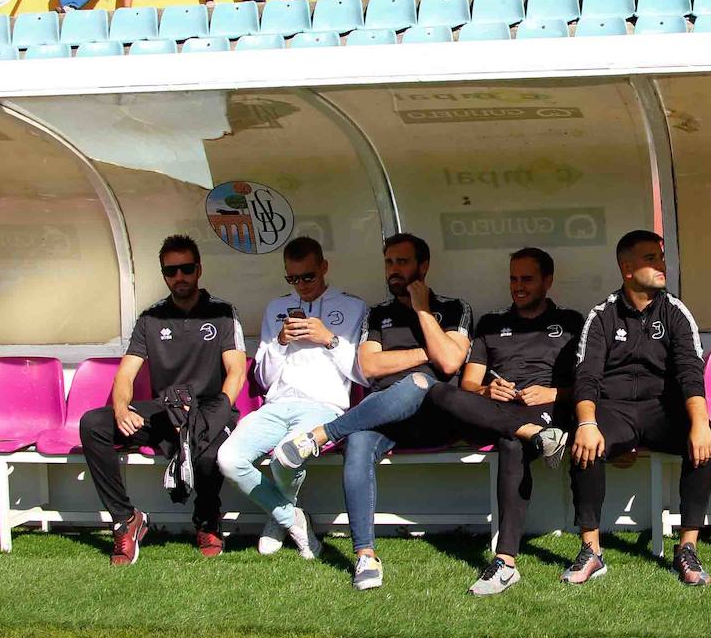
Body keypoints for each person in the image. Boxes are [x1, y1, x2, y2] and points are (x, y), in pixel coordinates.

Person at [273, 233, 469, 590]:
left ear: (422, 267)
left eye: (402, 262)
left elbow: (452, 361)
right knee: (360, 442)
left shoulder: (454, 308)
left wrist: (422, 309)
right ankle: (365, 556)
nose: (393, 269)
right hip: (382, 417)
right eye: (389, 262)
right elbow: (369, 366)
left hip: (436, 418)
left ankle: (325, 434)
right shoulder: (378, 313)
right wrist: (429, 355)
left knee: (418, 385)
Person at [420, 248, 582, 596]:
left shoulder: (571, 322)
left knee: (512, 444)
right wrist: (487, 389)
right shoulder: (492, 323)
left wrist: (552, 394)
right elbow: (467, 385)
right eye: (513, 279)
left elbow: (587, 385)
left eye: (527, 279)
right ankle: (536, 437)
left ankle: (505, 563)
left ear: (547, 281)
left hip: (541, 409)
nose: (518, 286)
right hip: (498, 412)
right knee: (436, 392)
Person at [79, 235, 246, 566]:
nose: (179, 277)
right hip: (165, 411)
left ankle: (208, 521)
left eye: (186, 268)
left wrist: (215, 415)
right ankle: (126, 519)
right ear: (164, 275)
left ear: (198, 269)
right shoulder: (150, 318)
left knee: (209, 452)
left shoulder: (223, 313)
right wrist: (121, 408)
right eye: (171, 271)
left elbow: (236, 372)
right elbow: (125, 375)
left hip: (210, 408)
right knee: (93, 424)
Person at [565, 230, 711, 587]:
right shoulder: (601, 315)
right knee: (585, 442)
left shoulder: (677, 312)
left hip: (661, 409)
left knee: (705, 437)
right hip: (614, 409)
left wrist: (699, 423)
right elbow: (586, 376)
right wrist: (587, 422)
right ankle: (592, 550)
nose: (661, 265)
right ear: (628, 268)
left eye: (661, 258)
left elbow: (691, 374)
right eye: (651, 259)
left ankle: (687, 547)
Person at [216, 237, 369, 561]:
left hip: (325, 406)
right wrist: (281, 342)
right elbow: (263, 377)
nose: (301, 285)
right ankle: (291, 517)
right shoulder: (275, 308)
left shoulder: (353, 306)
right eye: (293, 279)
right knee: (228, 458)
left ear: (324, 268)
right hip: (277, 404)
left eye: (308, 277)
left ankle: (278, 516)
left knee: (284, 458)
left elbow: (361, 373)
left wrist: (327, 339)